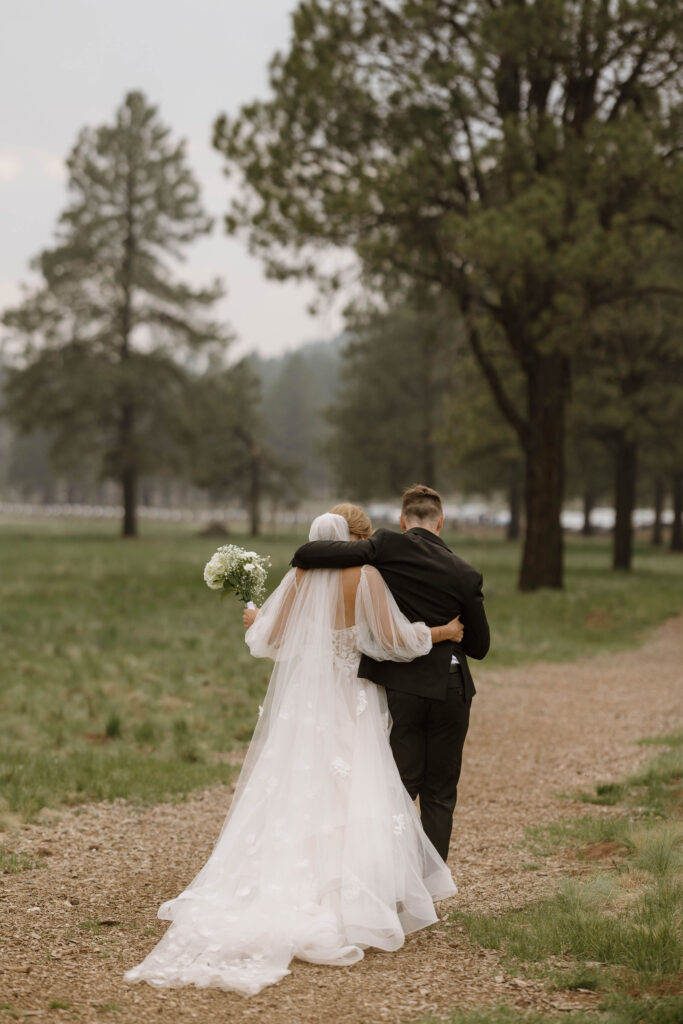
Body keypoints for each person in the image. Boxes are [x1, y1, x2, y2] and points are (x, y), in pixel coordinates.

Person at [124, 506, 463, 996]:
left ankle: (285, 885)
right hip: (352, 700)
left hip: (305, 705)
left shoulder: (300, 577)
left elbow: (267, 642)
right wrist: (443, 633)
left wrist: (257, 617)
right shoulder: (365, 577)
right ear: (357, 538)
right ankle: (355, 898)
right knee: (355, 790)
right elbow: (394, 641)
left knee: (296, 788)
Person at [292, 485, 490, 861]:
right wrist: (449, 632)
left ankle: (388, 876)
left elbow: (310, 553)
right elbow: (480, 647)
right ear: (441, 521)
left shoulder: (387, 548)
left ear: (402, 521)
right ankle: (429, 884)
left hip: (402, 685)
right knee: (440, 793)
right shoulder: (466, 573)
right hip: (449, 684)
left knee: (399, 784)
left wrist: (305, 555)